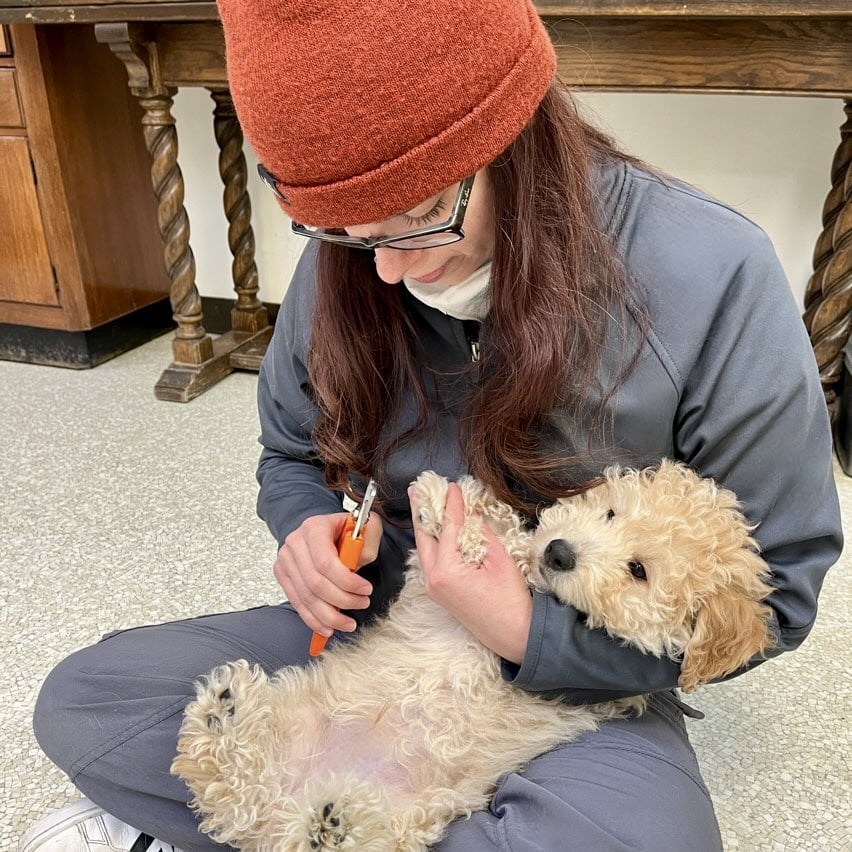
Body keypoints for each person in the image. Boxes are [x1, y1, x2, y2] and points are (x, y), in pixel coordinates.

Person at [21, 1, 843, 850]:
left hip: (574, 681)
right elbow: (291, 450)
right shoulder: (355, 259)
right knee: (87, 698)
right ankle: (336, 823)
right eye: (343, 231)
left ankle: (287, 825)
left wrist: (527, 631)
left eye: (418, 214)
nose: (386, 268)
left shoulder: (713, 276)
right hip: (390, 626)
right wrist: (305, 526)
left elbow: (777, 591)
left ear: (514, 139)